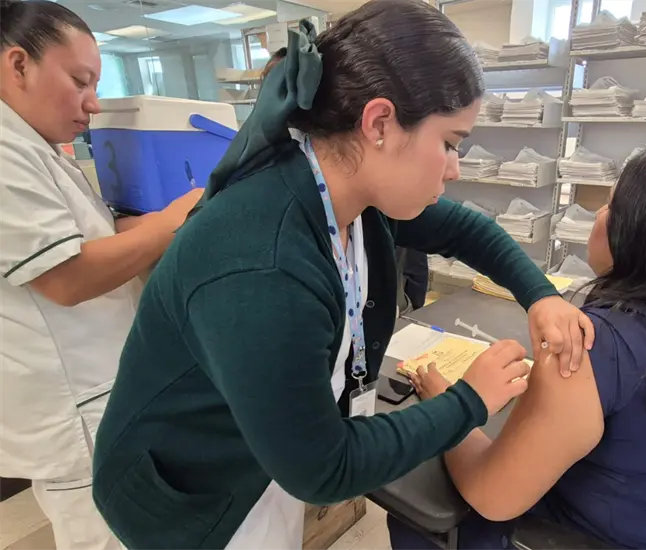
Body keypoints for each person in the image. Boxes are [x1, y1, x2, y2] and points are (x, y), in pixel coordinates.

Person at [91, 2, 594, 549]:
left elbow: (464, 230)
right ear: (379, 122)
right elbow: (322, 470)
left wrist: (541, 296)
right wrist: (469, 402)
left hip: (264, 457)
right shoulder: (264, 264)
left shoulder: (349, 189)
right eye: (449, 143)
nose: (454, 167)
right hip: (185, 499)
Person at [388, 146, 646, 550]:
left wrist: (453, 406)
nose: (598, 215)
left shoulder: (596, 346)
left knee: (415, 512)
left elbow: (490, 495)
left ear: (640, 235)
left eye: (610, 207)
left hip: (595, 536)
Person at [0, 1, 202, 549]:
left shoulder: (38, 146)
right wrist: (174, 220)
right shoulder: (5, 149)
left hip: (99, 399)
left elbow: (76, 239)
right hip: (75, 415)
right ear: (18, 65)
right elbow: (66, 277)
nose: (92, 103)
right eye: (80, 80)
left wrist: (133, 226)